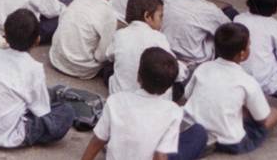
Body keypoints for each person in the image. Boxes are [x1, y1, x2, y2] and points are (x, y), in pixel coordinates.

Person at [0, 9, 74, 149]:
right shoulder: (34, 69)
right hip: (6, 134)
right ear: (37, 40)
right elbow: (41, 110)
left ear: (5, 37)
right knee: (66, 111)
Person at [81, 47, 209, 160]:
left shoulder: (116, 100)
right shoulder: (173, 112)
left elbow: (98, 140)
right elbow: (160, 156)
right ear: (169, 87)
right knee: (199, 133)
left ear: (138, 77)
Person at [182, 23, 277, 154]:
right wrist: (274, 113)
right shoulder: (247, 81)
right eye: (249, 45)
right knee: (274, 114)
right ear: (242, 54)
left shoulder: (203, 67)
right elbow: (263, 120)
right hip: (230, 141)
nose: (250, 48)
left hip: (194, 127)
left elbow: (188, 95)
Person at [49, 0, 118, 80]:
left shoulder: (77, 1)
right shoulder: (109, 15)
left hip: (57, 60)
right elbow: (100, 56)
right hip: (82, 68)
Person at [162, 0, 232, 71]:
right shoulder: (211, 11)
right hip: (194, 64)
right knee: (229, 17)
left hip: (165, 52)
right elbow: (229, 31)